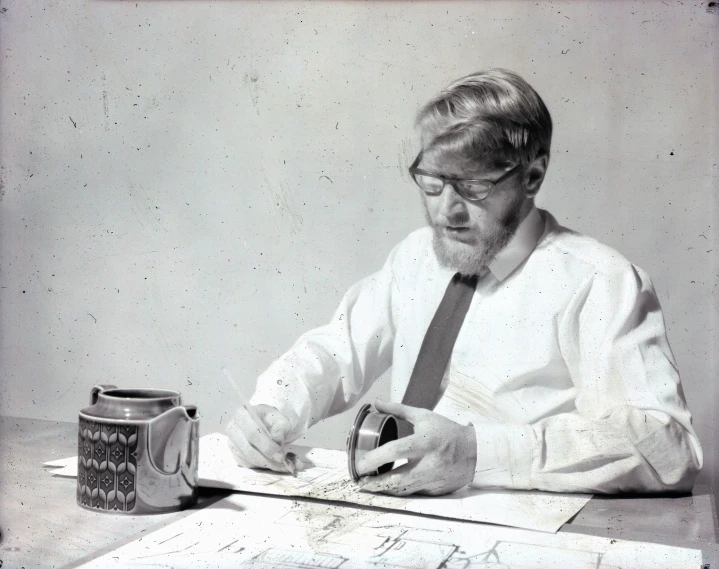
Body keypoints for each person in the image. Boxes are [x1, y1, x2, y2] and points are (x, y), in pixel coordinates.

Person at [226, 69, 702, 496]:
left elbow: (667, 445)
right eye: (432, 184)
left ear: (532, 176)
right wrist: (275, 409)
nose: (445, 212)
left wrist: (480, 453)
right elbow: (335, 350)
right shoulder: (415, 257)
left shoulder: (601, 281)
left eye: (473, 187)